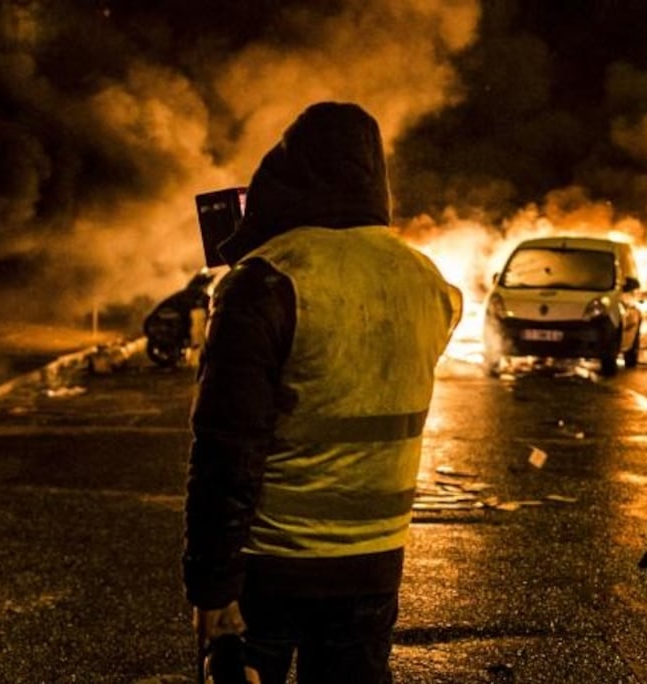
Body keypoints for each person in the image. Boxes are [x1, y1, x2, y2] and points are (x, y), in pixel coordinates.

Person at [183, 101, 462, 683]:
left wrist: (211, 587)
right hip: (375, 561)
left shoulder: (265, 282)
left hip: (273, 565)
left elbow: (225, 452)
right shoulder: (429, 282)